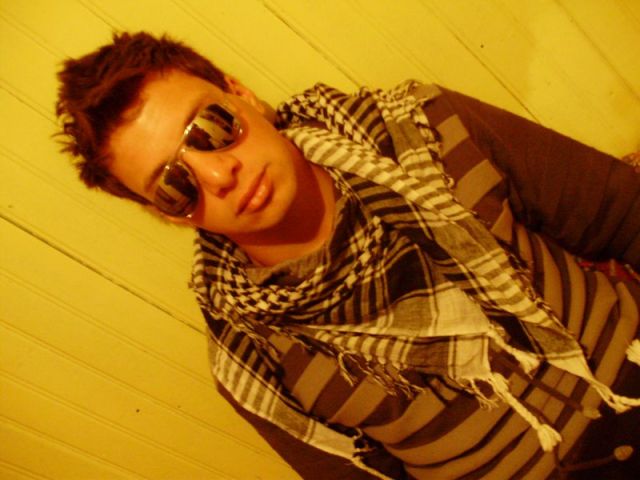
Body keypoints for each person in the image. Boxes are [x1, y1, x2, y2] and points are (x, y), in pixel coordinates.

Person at [56, 31, 640, 479]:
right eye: (174, 185)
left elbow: (624, 214)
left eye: (209, 128)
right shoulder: (250, 358)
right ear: (166, 214)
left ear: (242, 95)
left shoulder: (424, 128)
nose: (219, 174)